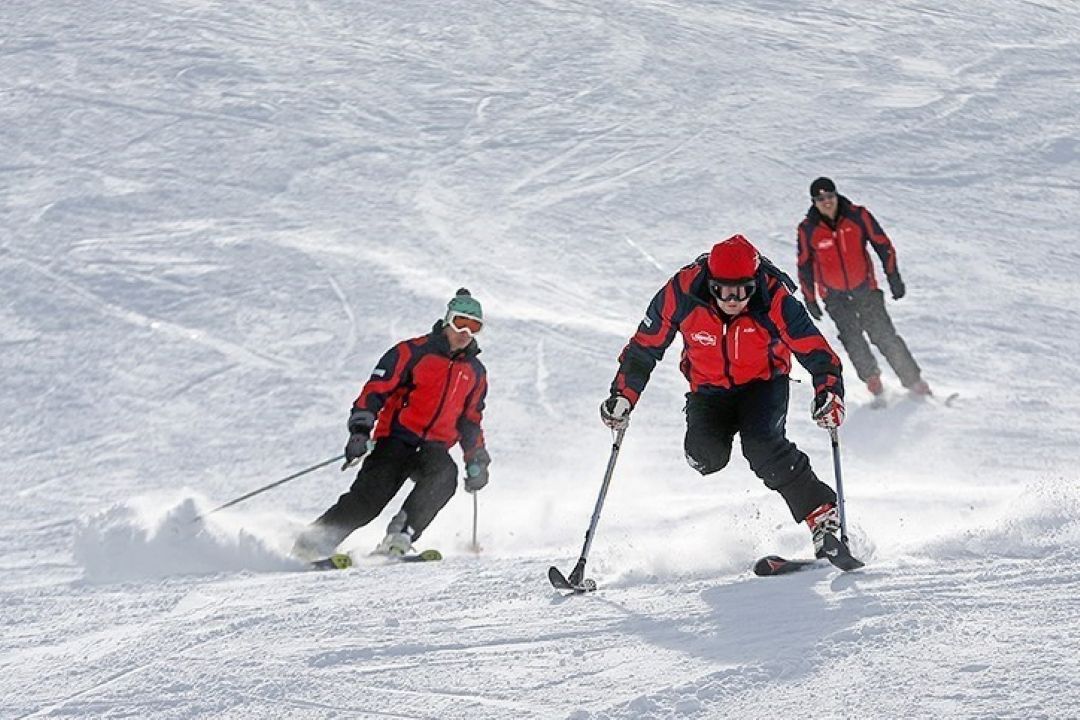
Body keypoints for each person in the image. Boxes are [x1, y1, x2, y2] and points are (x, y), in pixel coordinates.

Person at [599, 234, 854, 561]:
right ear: (710, 284)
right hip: (708, 389)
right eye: (723, 291)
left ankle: (822, 516)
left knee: (762, 446)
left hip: (764, 383)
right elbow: (644, 347)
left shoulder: (774, 296)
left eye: (744, 290)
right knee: (705, 456)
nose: (733, 300)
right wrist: (623, 396)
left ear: (755, 282)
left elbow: (817, 351)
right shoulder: (683, 291)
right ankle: (711, 450)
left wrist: (829, 391)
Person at [293, 288, 490, 561]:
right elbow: (375, 391)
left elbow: (471, 421)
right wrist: (360, 432)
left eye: (474, 326)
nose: (465, 332)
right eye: (460, 322)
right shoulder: (412, 352)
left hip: (433, 447)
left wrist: (476, 458)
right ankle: (312, 543)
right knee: (369, 500)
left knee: (445, 476)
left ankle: (400, 537)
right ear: (447, 320)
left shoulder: (475, 372)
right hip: (396, 439)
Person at [797, 177, 931, 400]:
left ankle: (914, 381)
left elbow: (883, 245)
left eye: (830, 196)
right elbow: (804, 266)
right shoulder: (808, 229)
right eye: (820, 199)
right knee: (852, 338)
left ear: (836, 195)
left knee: (883, 334)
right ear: (814, 202)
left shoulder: (858, 216)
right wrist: (810, 298)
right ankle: (873, 381)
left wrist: (893, 276)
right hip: (834, 295)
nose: (827, 202)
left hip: (865, 288)